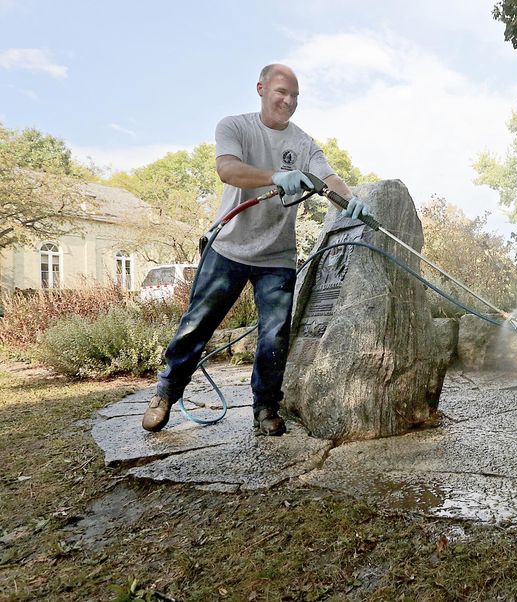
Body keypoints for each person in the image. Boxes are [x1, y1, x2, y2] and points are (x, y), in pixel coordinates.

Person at [142, 63, 370, 436]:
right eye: (281, 92)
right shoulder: (234, 127)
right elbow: (227, 169)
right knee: (198, 325)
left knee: (274, 334)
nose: (288, 100)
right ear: (261, 88)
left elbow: (329, 178)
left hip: (277, 256)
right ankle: (166, 393)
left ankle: (265, 408)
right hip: (229, 247)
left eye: (295, 95)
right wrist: (274, 177)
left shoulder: (304, 143)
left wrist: (351, 200)